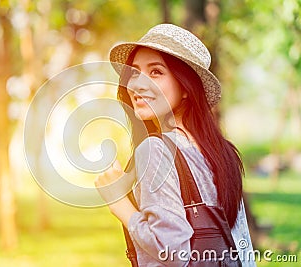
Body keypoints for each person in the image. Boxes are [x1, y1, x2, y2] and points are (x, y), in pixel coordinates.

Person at [94, 24, 256, 266]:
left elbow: (171, 252)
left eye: (156, 72)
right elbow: (242, 246)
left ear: (186, 88)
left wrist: (119, 203)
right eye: (135, 72)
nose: (137, 85)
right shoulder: (223, 153)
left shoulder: (156, 150)